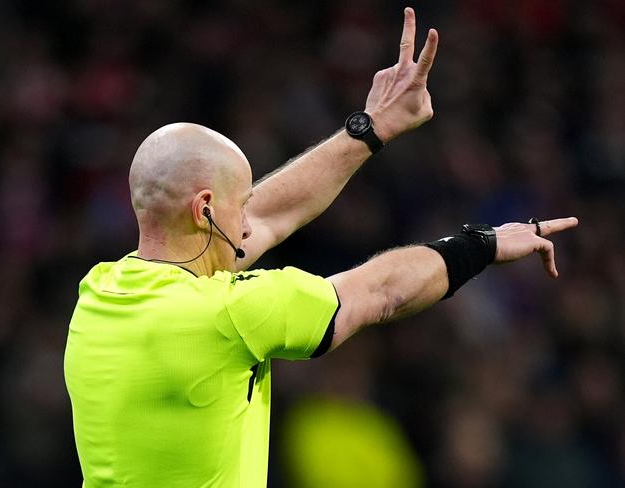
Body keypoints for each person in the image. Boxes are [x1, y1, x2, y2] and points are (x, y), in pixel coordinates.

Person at [64, 8, 578, 488]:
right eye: (237, 205)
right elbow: (381, 292)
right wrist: (483, 244)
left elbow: (267, 214)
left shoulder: (97, 294)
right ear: (203, 210)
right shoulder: (232, 314)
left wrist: (373, 128)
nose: (246, 227)